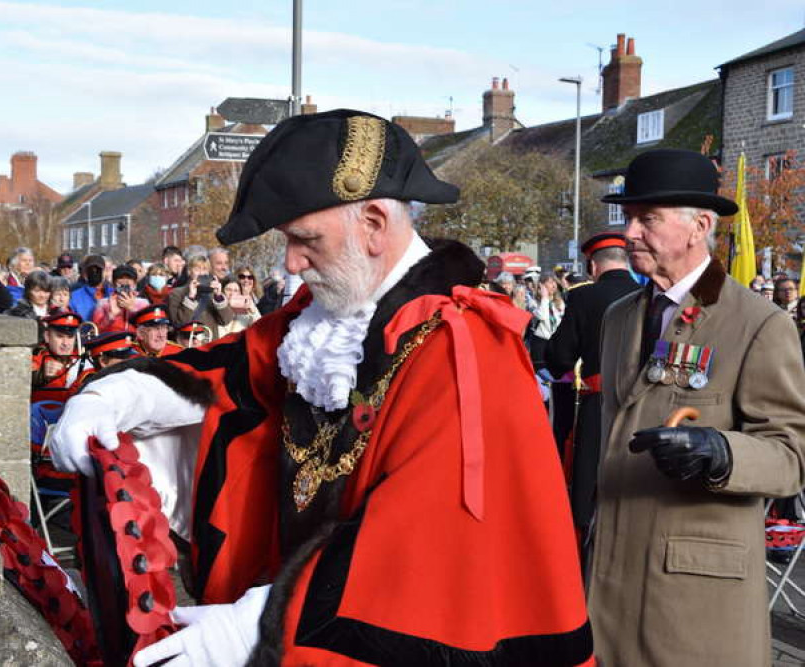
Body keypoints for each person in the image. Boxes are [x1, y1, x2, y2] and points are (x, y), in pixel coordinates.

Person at [49, 110, 592, 666]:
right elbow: (231, 372)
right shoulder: (322, 317)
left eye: (305, 239)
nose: (290, 261)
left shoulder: (463, 344)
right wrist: (111, 395)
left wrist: (266, 623)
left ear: (375, 224)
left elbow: (424, 536)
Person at [590, 148, 805, 666]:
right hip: (611, 575)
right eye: (630, 218)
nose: (631, 233)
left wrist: (722, 453)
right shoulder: (620, 317)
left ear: (699, 226)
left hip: (695, 593)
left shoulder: (757, 323)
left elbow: (792, 453)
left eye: (648, 219)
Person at [544, 233, 639, 542]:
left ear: (594, 266)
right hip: (640, 406)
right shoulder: (647, 293)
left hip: (597, 405)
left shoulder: (584, 297)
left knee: (587, 485)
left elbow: (560, 357)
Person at [167, 254, 234, 340]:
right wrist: (190, 297)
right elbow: (178, 323)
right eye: (197, 269)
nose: (201, 273)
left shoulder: (213, 293)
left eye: (204, 269)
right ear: (189, 271)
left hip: (209, 346)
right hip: (186, 346)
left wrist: (218, 296)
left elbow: (225, 320)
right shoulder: (176, 293)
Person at [31, 310, 84, 389]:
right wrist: (41, 375)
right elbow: (22, 378)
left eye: (70, 337)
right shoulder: (36, 358)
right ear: (47, 336)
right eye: (60, 336)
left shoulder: (81, 359)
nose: (65, 343)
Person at [92, 265, 150, 334]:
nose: (125, 281)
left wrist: (133, 310)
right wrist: (110, 316)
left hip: (135, 343)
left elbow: (148, 329)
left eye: (129, 278)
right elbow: (96, 331)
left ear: (135, 283)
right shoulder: (103, 303)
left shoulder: (143, 303)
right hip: (111, 342)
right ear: (113, 283)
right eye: (120, 278)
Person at [69, 254, 107, 322]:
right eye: (91, 270)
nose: (94, 273)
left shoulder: (113, 294)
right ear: (85, 273)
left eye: (98, 270)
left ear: (104, 272)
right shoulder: (74, 297)